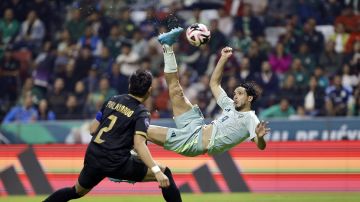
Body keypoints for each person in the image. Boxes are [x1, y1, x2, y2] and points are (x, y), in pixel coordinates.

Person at [43, 69, 182, 202]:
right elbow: (139, 144)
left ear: (129, 85)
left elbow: (92, 129)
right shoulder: (141, 113)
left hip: (93, 157)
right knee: (165, 172)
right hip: (116, 163)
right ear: (149, 90)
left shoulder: (112, 100)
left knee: (76, 191)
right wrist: (156, 171)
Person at [145, 27, 270, 157]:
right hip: (197, 126)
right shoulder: (230, 105)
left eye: (240, 93)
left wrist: (260, 138)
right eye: (235, 93)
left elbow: (261, 146)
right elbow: (214, 84)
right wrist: (223, 58)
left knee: (144, 130)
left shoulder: (250, 118)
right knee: (176, 90)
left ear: (249, 98)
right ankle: (167, 45)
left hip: (193, 143)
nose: (235, 96)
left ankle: (128, 146)